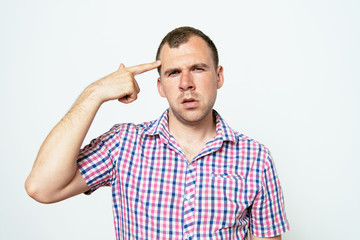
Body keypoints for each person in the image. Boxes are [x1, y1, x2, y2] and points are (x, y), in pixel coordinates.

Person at [25, 26, 290, 239]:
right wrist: (93, 94)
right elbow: (41, 187)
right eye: (173, 73)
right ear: (160, 86)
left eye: (197, 69)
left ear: (218, 76)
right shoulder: (123, 145)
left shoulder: (255, 158)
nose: (186, 84)